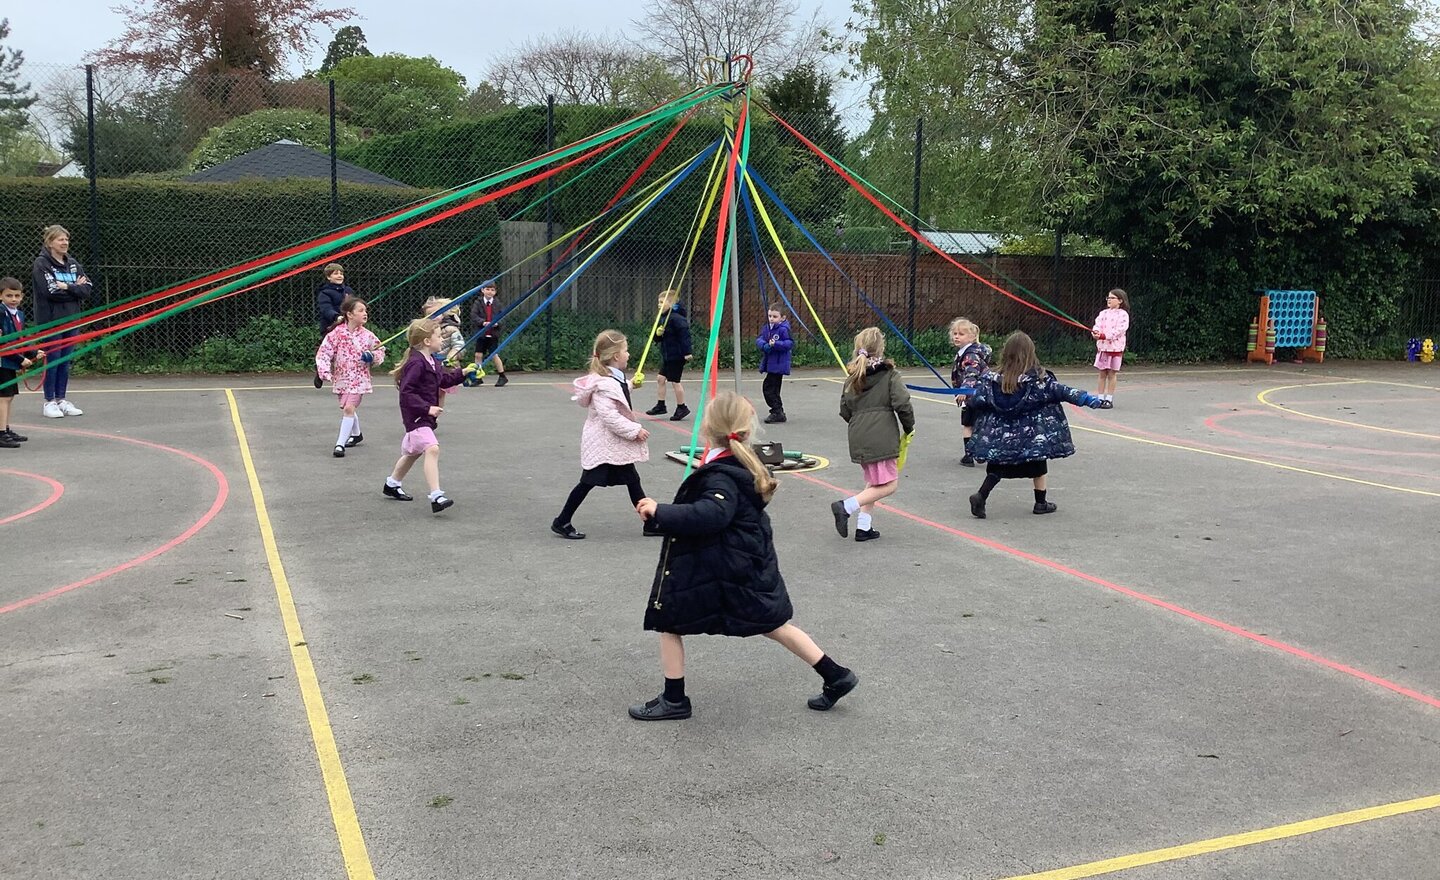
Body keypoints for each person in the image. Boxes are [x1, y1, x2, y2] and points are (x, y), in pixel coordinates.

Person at [630, 391, 858, 721]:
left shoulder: (723, 473)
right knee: (773, 624)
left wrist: (660, 512)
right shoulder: (740, 462)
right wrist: (664, 515)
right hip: (738, 564)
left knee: (670, 621)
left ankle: (674, 699)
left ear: (707, 429)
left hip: (726, 568)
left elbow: (712, 514)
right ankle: (835, 675)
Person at [965, 331, 1104, 519]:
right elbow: (1062, 391)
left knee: (996, 467)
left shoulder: (991, 381)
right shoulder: (1039, 380)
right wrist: (1088, 399)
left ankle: (981, 496)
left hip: (1000, 437)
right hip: (1031, 438)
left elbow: (977, 400)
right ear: (1030, 353)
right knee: (1038, 464)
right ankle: (1041, 503)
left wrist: (967, 396)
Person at [551, 329, 653, 540]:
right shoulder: (603, 383)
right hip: (603, 444)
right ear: (616, 356)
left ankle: (650, 523)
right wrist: (635, 431)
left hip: (613, 445)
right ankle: (562, 521)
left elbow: (618, 395)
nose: (629, 354)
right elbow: (610, 416)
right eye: (626, 350)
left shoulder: (612, 378)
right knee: (587, 483)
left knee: (633, 480)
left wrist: (632, 384)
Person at [830, 327, 914, 543]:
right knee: (890, 484)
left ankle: (863, 527)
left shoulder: (852, 378)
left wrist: (859, 424)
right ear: (881, 349)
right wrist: (908, 426)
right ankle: (846, 506)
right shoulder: (889, 375)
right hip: (881, 435)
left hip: (858, 434)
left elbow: (844, 410)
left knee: (875, 482)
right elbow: (902, 403)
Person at [384, 319, 468, 513]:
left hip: (423, 416)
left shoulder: (432, 360)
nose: (442, 339)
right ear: (427, 341)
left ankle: (392, 483)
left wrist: (463, 372)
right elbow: (406, 393)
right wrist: (426, 408)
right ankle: (436, 495)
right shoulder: (416, 363)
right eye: (439, 336)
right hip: (416, 416)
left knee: (413, 452)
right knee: (432, 449)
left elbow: (444, 379)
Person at [31, 224, 92, 419]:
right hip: (51, 320)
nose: (65, 242)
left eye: (66, 239)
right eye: (60, 239)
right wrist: (75, 290)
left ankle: (61, 399)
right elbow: (50, 292)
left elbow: (87, 289)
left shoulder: (73, 264)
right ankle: (49, 401)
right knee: (53, 359)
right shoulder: (42, 264)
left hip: (71, 319)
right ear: (49, 242)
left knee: (65, 361)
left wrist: (67, 286)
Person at [315, 296, 384, 458]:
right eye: (361, 311)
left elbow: (380, 351)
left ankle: (340, 444)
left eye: (366, 310)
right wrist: (324, 371)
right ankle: (357, 434)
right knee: (346, 407)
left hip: (359, 379)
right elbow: (324, 352)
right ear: (349, 314)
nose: (365, 313)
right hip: (342, 378)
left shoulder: (368, 335)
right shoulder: (336, 334)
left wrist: (372, 356)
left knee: (348, 408)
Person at [0, 277, 44, 448]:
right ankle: (1, 433)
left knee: (8, 397)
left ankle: (6, 428)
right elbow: (3, 343)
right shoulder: (1, 313)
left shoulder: (19, 314)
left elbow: (20, 339)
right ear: (1, 296)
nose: (13, 299)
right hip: (2, 362)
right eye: (9, 295)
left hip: (9, 362)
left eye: (17, 296)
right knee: (3, 397)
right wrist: (20, 360)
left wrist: (32, 352)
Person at [949, 317, 992, 467]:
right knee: (976, 423)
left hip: (975, 394)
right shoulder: (965, 353)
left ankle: (970, 455)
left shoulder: (970, 355)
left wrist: (964, 391)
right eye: (955, 333)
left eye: (961, 334)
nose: (956, 337)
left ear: (972, 337)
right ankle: (976, 452)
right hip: (979, 393)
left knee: (969, 424)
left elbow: (971, 373)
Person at [644, 289, 692, 421]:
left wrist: (687, 352)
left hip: (676, 355)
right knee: (660, 379)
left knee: (675, 382)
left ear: (671, 304)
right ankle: (661, 405)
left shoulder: (677, 319)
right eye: (658, 302)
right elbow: (658, 339)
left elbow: (685, 336)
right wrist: (658, 335)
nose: (659, 305)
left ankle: (682, 407)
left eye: (661, 302)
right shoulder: (662, 318)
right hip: (667, 355)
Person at [313, 263, 353, 389]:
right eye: (336, 273)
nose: (339, 275)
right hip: (330, 326)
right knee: (326, 351)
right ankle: (320, 370)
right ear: (328, 277)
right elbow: (326, 308)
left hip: (347, 326)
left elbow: (353, 305)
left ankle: (347, 377)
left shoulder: (348, 291)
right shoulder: (325, 293)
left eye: (341, 273)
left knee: (346, 351)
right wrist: (336, 317)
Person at [1091, 288, 1129, 408]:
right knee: (1102, 373)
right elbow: (1097, 324)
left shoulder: (1123, 315)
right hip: (1103, 347)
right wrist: (1096, 332)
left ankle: (1109, 399)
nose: (1109, 300)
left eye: (1112, 298)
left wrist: (1104, 335)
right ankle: (1100, 398)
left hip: (1115, 348)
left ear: (1120, 301)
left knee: (1112, 373)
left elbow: (1119, 330)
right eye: (1108, 297)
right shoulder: (1103, 313)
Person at [755, 306, 794, 423]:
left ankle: (777, 411)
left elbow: (789, 343)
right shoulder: (767, 328)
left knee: (769, 388)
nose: (771, 319)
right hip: (770, 364)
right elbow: (759, 339)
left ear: (782, 318)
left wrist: (776, 344)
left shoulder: (783, 329)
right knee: (772, 388)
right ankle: (778, 411)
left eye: (775, 316)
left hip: (778, 364)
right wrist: (764, 345)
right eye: (770, 316)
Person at [469, 281, 509, 387]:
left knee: (494, 355)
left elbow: (503, 316)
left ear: (495, 292)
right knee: (478, 355)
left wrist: (497, 323)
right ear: (482, 290)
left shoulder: (498, 303)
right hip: (481, 333)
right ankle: (478, 377)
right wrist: (483, 322)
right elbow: (474, 315)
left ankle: (502, 376)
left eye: (492, 290)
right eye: (487, 289)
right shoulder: (478, 302)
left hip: (493, 334)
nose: (490, 292)